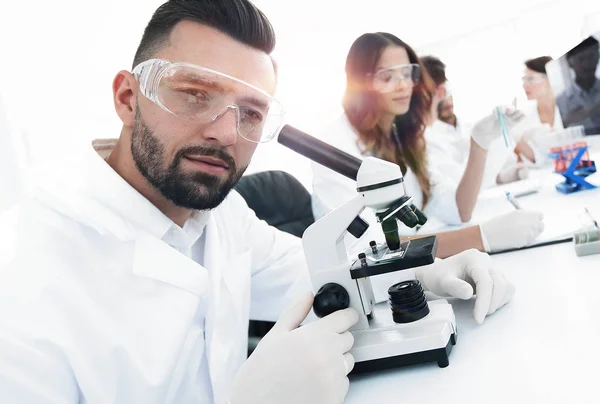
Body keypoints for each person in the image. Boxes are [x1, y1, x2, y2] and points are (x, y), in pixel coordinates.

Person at [0, 2, 515, 404]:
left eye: (251, 112)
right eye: (195, 94)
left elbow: (312, 273)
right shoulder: (23, 276)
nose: (226, 132)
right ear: (128, 98)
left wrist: (426, 271)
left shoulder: (219, 215)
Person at [311, 32, 545, 259]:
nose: (403, 85)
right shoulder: (332, 145)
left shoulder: (401, 139)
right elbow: (372, 248)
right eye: (387, 76)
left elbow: (458, 209)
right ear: (360, 82)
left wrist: (479, 143)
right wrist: (481, 237)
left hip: (416, 271)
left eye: (407, 73)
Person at [420, 55, 528, 185]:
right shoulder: (428, 139)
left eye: (448, 92)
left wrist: (501, 134)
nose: (447, 100)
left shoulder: (468, 127)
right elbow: (461, 186)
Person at [512, 56, 564, 165]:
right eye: (524, 79)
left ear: (550, 77)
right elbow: (520, 158)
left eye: (530, 79)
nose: (524, 85)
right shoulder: (523, 119)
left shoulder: (568, 107)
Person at [556, 36, 600, 134]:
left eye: (591, 57)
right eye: (581, 59)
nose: (587, 64)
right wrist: (566, 121)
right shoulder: (560, 102)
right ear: (570, 63)